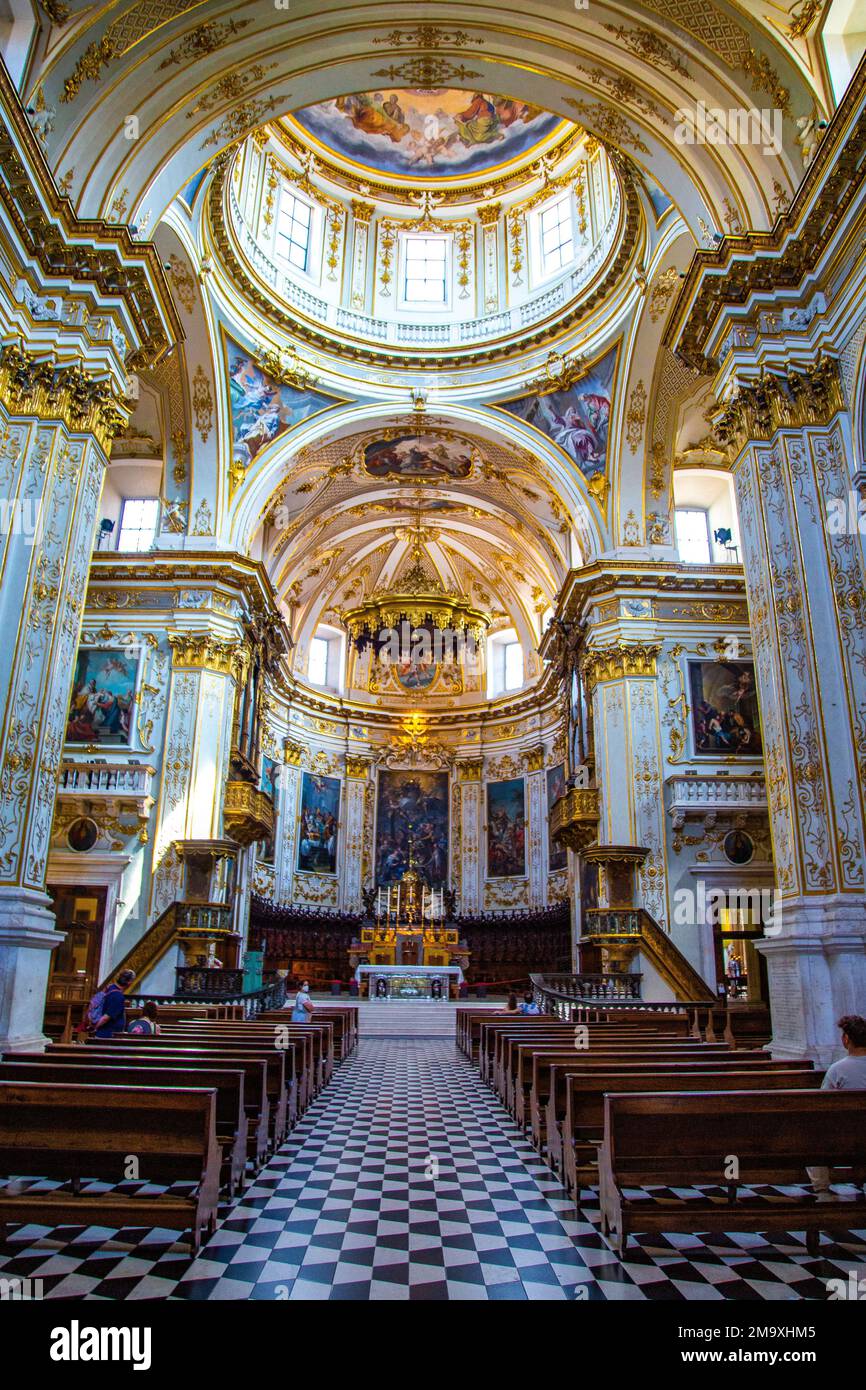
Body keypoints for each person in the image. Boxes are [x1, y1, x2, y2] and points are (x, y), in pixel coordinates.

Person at [808, 1016, 866, 1199]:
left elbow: (823, 1104)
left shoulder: (837, 1069)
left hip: (844, 1139)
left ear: (846, 1039)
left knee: (810, 1141)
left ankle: (822, 1190)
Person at [93, 968, 135, 1039]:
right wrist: (94, 1028)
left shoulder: (110, 987)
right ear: (129, 982)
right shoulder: (118, 996)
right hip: (107, 1036)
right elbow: (106, 1018)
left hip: (105, 1034)